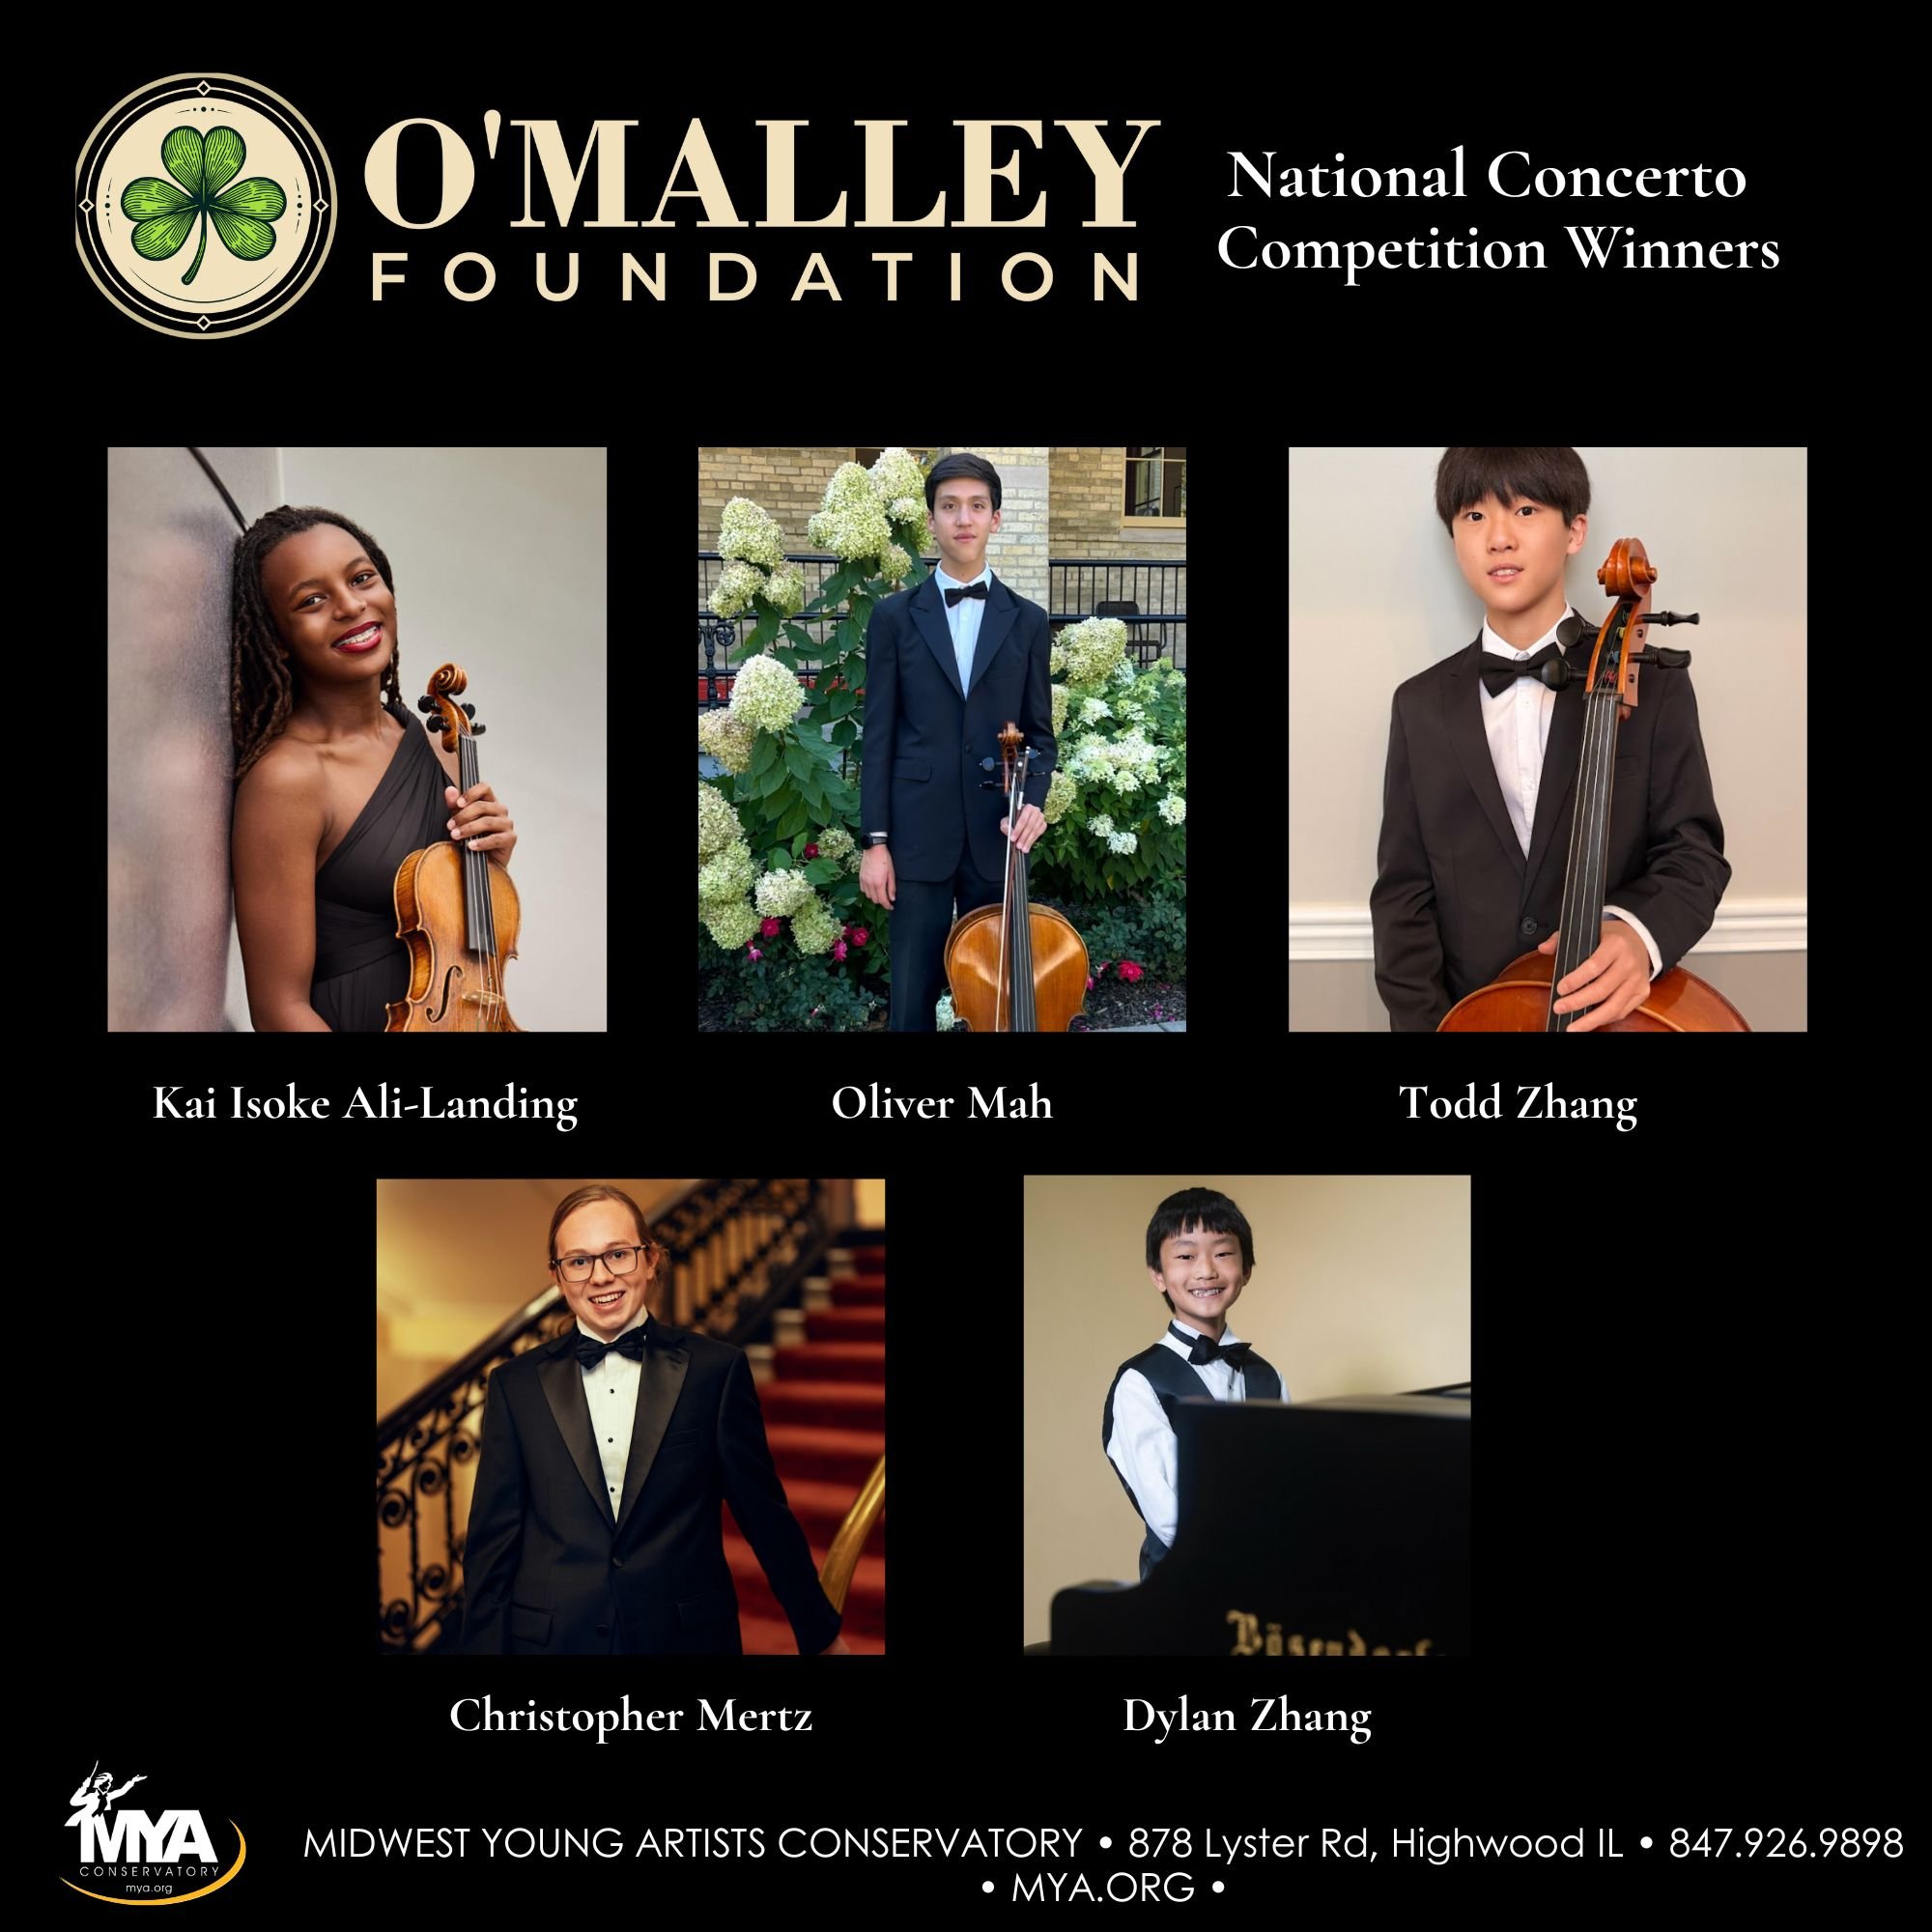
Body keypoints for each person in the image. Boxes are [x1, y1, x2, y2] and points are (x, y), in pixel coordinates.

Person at [1371, 446, 1730, 1032]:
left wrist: (1639, 934)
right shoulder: (1418, 706)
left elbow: (1694, 853)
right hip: (1474, 1018)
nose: (1499, 538)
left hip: (1613, 1015)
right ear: (1454, 537)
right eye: (1474, 516)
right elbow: (1403, 897)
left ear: (1575, 531)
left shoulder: (1657, 684)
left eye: (1527, 510)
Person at [460, 1183, 849, 1656]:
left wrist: (820, 1634)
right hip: (553, 1643)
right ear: (558, 1277)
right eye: (579, 1261)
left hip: (685, 1640)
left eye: (618, 1254)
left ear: (650, 1259)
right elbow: (491, 1548)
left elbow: (764, 1515)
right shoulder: (513, 1385)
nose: (600, 1276)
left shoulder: (715, 1372)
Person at [229, 506, 518, 1031]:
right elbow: (279, 1012)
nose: (351, 605)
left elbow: (451, 944)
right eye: (311, 600)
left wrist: (492, 862)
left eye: (363, 578)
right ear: (276, 638)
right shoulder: (287, 781)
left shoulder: (441, 744)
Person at [858, 453, 1057, 1031]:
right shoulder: (894, 617)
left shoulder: (1027, 621)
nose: (962, 519)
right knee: (911, 997)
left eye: (976, 506)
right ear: (932, 520)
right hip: (916, 832)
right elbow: (878, 737)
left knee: (994, 997)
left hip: (997, 832)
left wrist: (1035, 802)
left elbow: (1040, 737)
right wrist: (875, 841)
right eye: (949, 507)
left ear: (995, 518)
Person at [1102, 1187, 1284, 1580]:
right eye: (1185, 1256)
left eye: (1222, 1253)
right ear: (1158, 1275)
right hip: (1183, 1587)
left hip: (1269, 1579)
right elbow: (1168, 1517)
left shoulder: (1269, 1376)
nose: (1206, 1270)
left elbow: (1286, 1481)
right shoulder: (1140, 1383)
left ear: (1247, 1268)